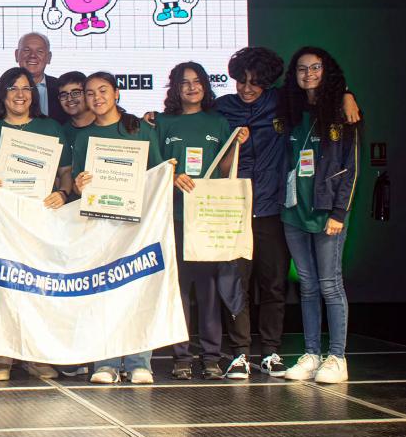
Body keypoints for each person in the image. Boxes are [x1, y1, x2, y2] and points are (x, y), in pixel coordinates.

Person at [214, 47, 361, 380]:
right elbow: (187, 113)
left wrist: (348, 95)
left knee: (278, 284)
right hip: (235, 210)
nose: (247, 88)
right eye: (241, 81)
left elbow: (321, 93)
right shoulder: (222, 108)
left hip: (274, 207)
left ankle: (273, 352)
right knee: (240, 283)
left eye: (255, 82)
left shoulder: (281, 102)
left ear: (267, 82)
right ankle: (240, 353)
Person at [155, 62, 249, 381]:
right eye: (184, 83)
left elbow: (225, 168)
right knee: (179, 290)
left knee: (209, 291)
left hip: (208, 220)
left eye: (197, 82)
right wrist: (173, 174)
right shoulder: (162, 123)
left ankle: (211, 356)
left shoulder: (219, 122)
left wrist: (237, 142)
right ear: (175, 89)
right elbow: (155, 166)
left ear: (205, 86)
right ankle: (181, 356)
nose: (191, 88)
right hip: (176, 218)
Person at [72, 72, 164, 385]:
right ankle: (106, 362)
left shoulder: (139, 129)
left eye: (103, 90)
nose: (96, 97)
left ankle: (140, 362)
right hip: (100, 225)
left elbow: (158, 174)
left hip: (138, 226)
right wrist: (79, 184)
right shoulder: (83, 136)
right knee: (103, 291)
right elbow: (77, 187)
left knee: (138, 290)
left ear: (117, 93)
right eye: (90, 93)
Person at [280, 47, 361, 384]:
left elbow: (351, 166)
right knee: (308, 287)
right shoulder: (289, 108)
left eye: (315, 67)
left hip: (327, 213)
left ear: (327, 71)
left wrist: (339, 211)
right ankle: (312, 354)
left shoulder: (343, 112)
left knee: (330, 285)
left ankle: (337, 357)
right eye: (301, 69)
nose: (308, 74)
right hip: (293, 212)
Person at [0, 66, 72, 381]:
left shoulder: (50, 128)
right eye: (13, 88)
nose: (20, 94)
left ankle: (36, 355)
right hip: (5, 219)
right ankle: (3, 356)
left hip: (42, 218)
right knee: (5, 285)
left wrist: (63, 193)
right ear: (3, 94)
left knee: (38, 287)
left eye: (25, 88)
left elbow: (66, 172)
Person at [0, 32, 67, 125]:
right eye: (26, 50)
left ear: (49, 57)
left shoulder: (61, 89)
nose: (33, 56)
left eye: (40, 51)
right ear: (16, 55)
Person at [57, 71, 95, 157]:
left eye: (76, 93)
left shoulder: (107, 125)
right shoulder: (61, 133)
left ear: (87, 94)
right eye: (63, 95)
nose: (69, 99)